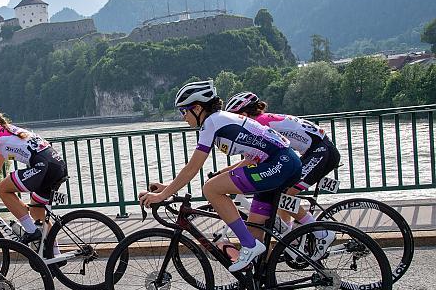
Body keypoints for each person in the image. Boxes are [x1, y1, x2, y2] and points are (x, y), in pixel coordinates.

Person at [140, 80, 302, 271]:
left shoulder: (212, 122)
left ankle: (249, 246)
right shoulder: (220, 120)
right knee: (255, 229)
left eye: (183, 111)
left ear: (198, 108)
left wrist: (162, 196)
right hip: (282, 163)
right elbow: (248, 160)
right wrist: (168, 187)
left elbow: (193, 167)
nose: (183, 118)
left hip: (279, 164)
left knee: (211, 188)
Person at [225, 91, 341, 259]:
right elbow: (252, 158)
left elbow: (250, 161)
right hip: (317, 151)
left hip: (321, 152)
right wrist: (224, 174)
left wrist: (225, 176)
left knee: (285, 194)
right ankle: (290, 238)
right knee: (280, 192)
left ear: (243, 114)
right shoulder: (262, 120)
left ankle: (321, 232)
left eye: (236, 118)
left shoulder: (259, 124)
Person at [0, 100, 68, 247]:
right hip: (56, 165)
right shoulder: (5, 130)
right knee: (37, 212)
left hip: (44, 167)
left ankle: (31, 231)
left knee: (2, 188)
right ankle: (55, 256)